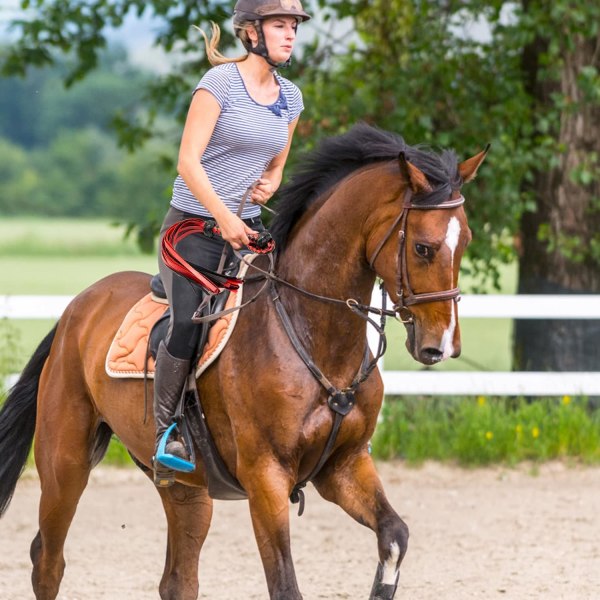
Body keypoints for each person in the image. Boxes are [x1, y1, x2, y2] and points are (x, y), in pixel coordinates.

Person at [152, 0, 311, 485]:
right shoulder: (218, 84)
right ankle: (167, 432)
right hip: (192, 232)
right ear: (250, 33)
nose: (289, 35)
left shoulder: (291, 97)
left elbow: (277, 162)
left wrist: (270, 181)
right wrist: (223, 216)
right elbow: (188, 163)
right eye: (280, 25)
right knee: (188, 323)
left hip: (245, 236)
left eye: (293, 27)